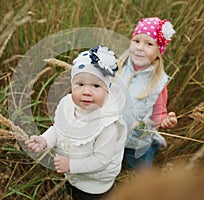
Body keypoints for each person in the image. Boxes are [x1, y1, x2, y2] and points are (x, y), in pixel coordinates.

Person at [25, 46, 127, 200]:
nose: (87, 91)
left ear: (107, 90)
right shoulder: (70, 106)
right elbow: (59, 130)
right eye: (80, 84)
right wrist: (45, 140)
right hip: (73, 176)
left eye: (96, 86)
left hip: (95, 187)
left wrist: (71, 165)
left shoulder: (108, 125)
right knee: (72, 192)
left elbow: (101, 160)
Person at [115, 17, 178, 171]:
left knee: (140, 173)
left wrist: (165, 121)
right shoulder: (117, 67)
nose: (140, 47)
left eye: (149, 44)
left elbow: (159, 114)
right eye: (136, 41)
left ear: (159, 52)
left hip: (137, 140)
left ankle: (153, 144)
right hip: (113, 135)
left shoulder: (158, 83)